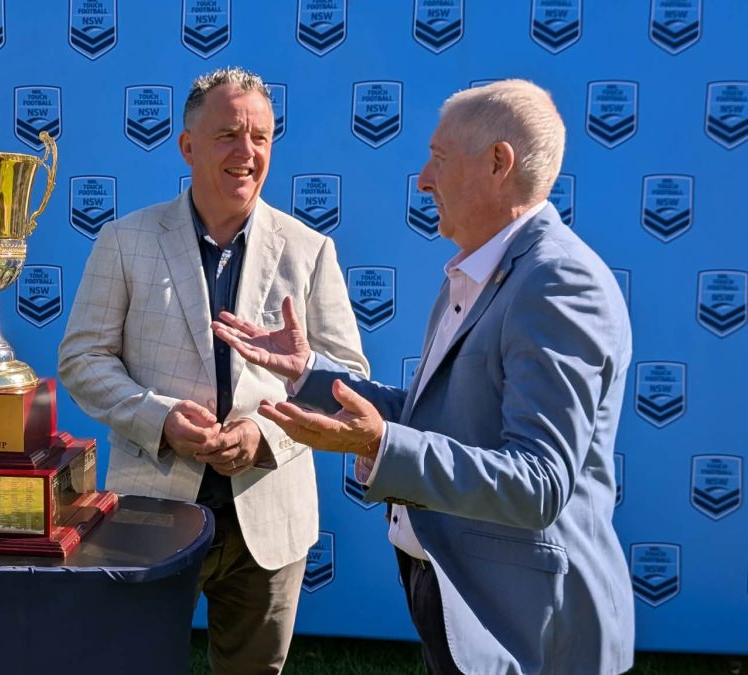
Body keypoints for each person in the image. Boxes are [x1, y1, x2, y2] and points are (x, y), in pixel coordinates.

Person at [213, 79, 635, 674]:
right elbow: (446, 413)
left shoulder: (557, 283)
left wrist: (377, 444)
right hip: (470, 603)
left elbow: (538, 482)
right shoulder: (479, 270)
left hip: (531, 631)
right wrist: (310, 373)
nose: (423, 179)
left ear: (498, 163)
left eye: (438, 158)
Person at [58, 67, 368, 675]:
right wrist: (161, 418)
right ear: (188, 145)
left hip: (270, 513)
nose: (246, 153)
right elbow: (82, 358)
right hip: (151, 507)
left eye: (261, 137)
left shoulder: (309, 250)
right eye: (228, 134)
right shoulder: (126, 240)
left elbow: (346, 378)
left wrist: (266, 435)